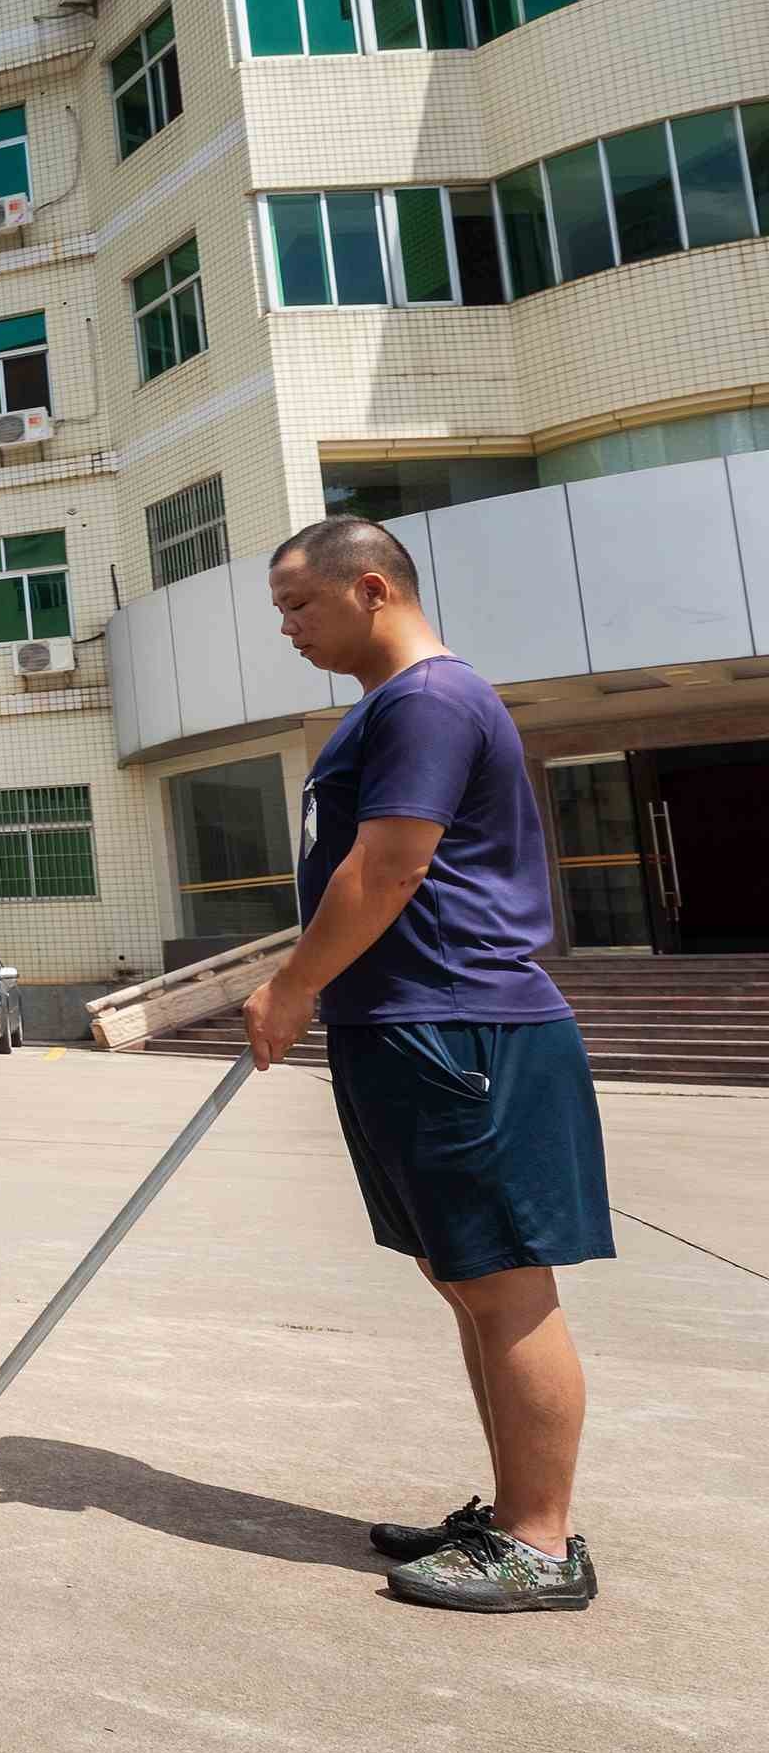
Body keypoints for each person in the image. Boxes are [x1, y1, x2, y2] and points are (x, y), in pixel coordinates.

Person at [245, 518, 609, 1612]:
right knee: (464, 1281)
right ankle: (512, 1514)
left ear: (370, 589)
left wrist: (294, 985)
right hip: (409, 1022)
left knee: (504, 1286)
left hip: (461, 1028)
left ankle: (541, 1545)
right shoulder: (392, 709)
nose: (291, 630)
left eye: (300, 607)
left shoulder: (430, 702)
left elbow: (391, 863)